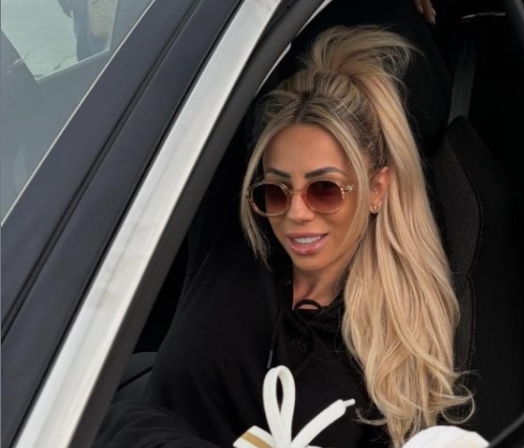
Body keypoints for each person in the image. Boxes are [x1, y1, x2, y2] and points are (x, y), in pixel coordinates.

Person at [95, 21, 470, 448]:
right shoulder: (235, 241)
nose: (295, 213)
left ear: (377, 190)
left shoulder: (399, 346)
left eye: (324, 189)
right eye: (275, 190)